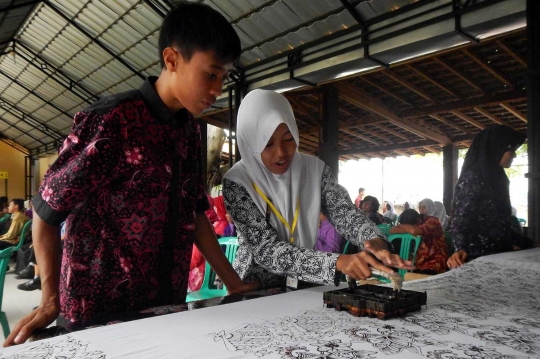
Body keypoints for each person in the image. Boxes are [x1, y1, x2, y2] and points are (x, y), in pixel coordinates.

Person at [5, 2, 258, 347]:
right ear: (171, 60)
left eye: (224, 77)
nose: (217, 88)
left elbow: (193, 212)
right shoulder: (112, 121)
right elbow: (46, 210)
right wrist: (50, 299)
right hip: (95, 310)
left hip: (163, 305)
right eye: (210, 73)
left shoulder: (188, 131)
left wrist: (234, 283)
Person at [222, 89, 413, 289]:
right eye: (268, 143)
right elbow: (265, 249)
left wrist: (372, 239)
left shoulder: (314, 170)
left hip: (303, 284)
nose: (281, 152)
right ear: (250, 143)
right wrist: (337, 262)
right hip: (254, 288)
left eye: (288, 139)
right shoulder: (238, 182)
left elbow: (343, 211)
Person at [447, 125, 534, 269]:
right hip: (475, 260)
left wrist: (530, 244)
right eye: (510, 149)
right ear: (496, 147)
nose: (514, 155)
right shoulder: (473, 177)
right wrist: (460, 248)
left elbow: (499, 226)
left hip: (499, 257)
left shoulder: (497, 179)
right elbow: (460, 219)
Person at [391, 204, 448, 274]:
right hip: (419, 261)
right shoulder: (418, 222)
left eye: (424, 207)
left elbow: (413, 231)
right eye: (420, 207)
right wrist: (403, 227)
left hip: (434, 261)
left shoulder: (433, 221)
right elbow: (392, 230)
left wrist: (401, 226)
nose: (422, 209)